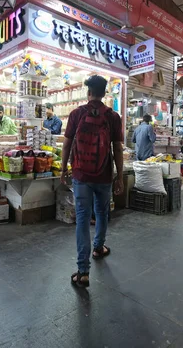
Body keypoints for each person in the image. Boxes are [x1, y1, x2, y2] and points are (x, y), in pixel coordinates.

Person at [61, 75, 124, 288]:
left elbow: (66, 146)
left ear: (88, 92)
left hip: (81, 175)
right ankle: (99, 247)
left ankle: (83, 271)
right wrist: (120, 176)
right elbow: (117, 149)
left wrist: (63, 170)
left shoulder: (76, 114)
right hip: (104, 175)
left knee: (82, 219)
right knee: (102, 212)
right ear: (104, 93)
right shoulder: (113, 116)